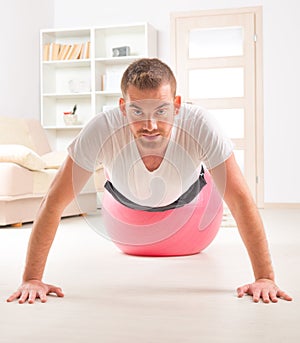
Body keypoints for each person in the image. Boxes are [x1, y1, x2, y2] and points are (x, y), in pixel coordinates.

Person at [7, 58, 292, 304]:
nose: (151, 125)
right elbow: (54, 202)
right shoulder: (101, 128)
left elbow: (240, 200)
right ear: (122, 107)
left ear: (177, 105)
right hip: (125, 210)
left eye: (161, 111)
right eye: (137, 112)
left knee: (222, 182)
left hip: (191, 210)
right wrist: (32, 278)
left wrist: (265, 277)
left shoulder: (201, 124)